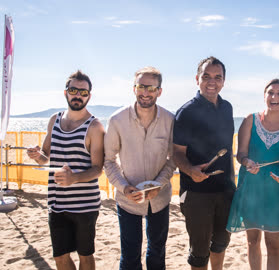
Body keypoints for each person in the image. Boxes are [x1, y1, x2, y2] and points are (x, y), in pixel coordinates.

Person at [27, 70, 105, 270]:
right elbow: (45, 158)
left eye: (83, 92)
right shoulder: (54, 120)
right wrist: (37, 156)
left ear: (89, 96)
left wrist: (74, 178)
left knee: (85, 256)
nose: (78, 95)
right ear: (66, 92)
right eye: (74, 90)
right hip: (57, 203)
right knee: (60, 257)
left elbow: (98, 169)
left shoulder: (94, 126)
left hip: (85, 205)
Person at [104, 66, 175, 270]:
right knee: (130, 257)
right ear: (134, 88)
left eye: (151, 88)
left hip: (159, 199)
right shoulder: (117, 120)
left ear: (159, 91)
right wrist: (124, 187)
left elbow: (173, 159)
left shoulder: (170, 120)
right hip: (128, 199)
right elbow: (108, 160)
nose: (146, 92)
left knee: (157, 254)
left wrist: (159, 185)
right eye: (141, 86)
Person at [226, 79, 279, 270]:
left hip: (276, 188)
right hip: (251, 185)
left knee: (274, 244)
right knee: (253, 241)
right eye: (270, 92)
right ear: (264, 96)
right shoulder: (250, 119)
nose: (274, 97)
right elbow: (240, 153)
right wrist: (247, 161)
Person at [173, 56, 235, 270]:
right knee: (199, 251)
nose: (212, 81)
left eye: (218, 77)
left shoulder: (227, 108)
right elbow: (176, 153)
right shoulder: (186, 112)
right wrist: (190, 170)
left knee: (220, 244)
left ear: (224, 81)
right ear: (197, 79)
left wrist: (232, 183)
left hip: (226, 191)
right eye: (206, 76)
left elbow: (229, 151)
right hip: (196, 193)